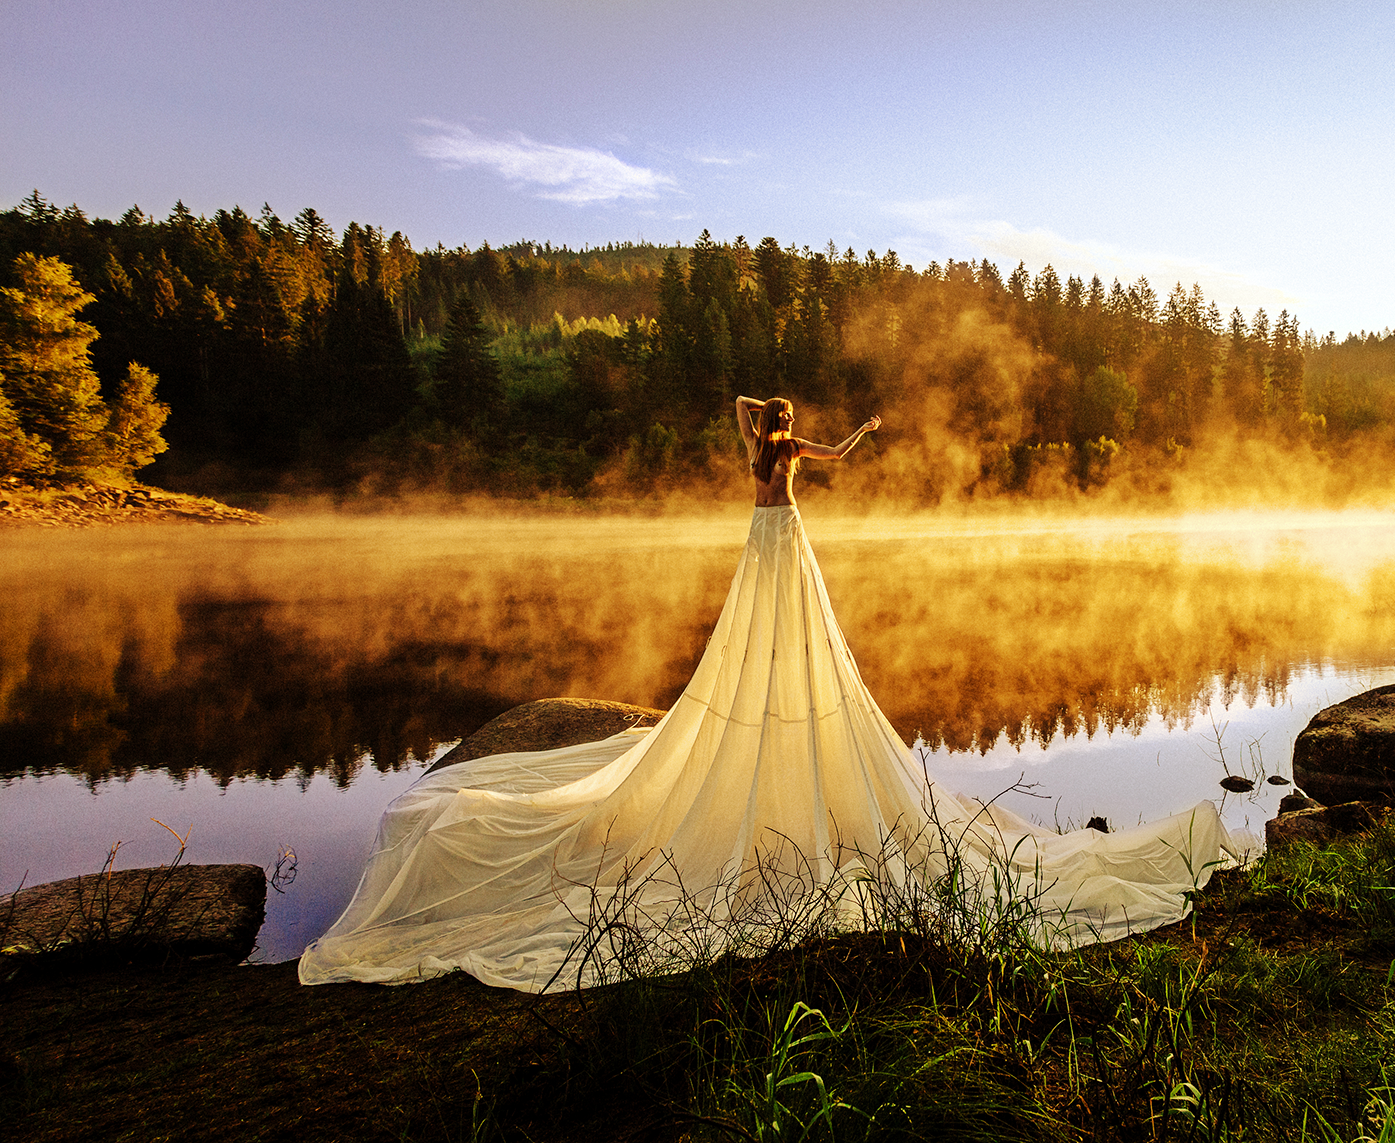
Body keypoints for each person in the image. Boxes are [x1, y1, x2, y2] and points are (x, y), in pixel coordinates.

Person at [300, 398, 1238, 992]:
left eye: (778, 422)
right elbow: (763, 418)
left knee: (795, 647)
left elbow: (820, 444)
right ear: (776, 427)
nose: (783, 429)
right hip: (774, 545)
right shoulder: (765, 447)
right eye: (782, 422)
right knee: (764, 646)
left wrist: (852, 432)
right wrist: (779, 414)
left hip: (779, 546)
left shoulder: (772, 449)